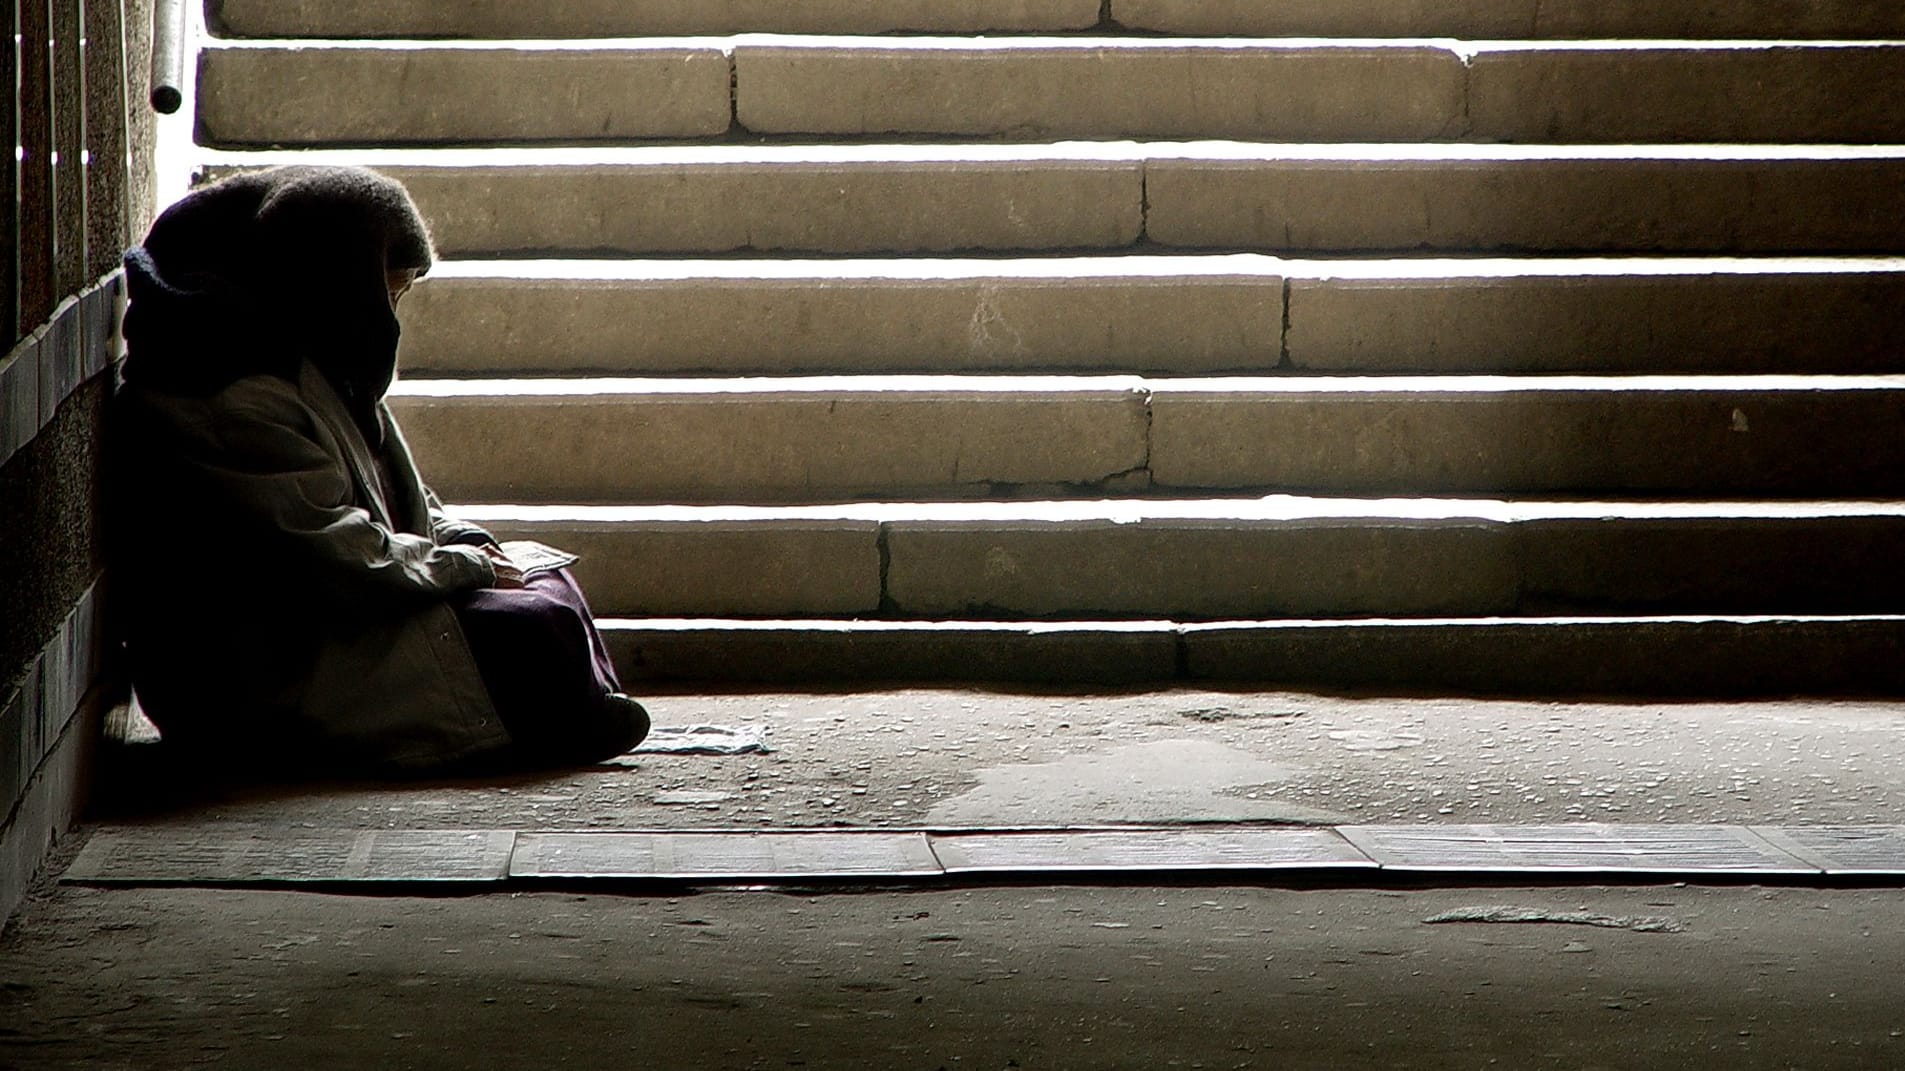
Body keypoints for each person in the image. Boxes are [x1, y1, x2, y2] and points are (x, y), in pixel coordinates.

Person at [110, 164, 648, 775]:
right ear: (337, 284)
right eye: (386, 294)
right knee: (531, 625)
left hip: (353, 612)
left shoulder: (311, 358)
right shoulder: (225, 397)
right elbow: (335, 555)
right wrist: (466, 568)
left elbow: (400, 497)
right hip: (275, 663)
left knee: (550, 583)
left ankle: (574, 707)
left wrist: (473, 545)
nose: (389, 316)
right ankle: (563, 715)